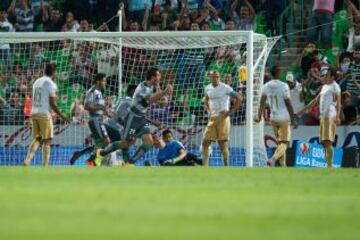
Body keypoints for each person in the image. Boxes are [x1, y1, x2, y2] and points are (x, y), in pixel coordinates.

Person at [95, 67, 173, 165]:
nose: (160, 77)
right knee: (127, 143)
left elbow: (153, 100)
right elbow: (148, 101)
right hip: (133, 119)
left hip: (141, 119)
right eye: (159, 75)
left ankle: (130, 163)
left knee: (149, 142)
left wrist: (161, 97)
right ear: (153, 77)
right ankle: (101, 153)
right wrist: (164, 93)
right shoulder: (143, 87)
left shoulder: (151, 87)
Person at [23, 63, 69, 166]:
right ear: (54, 72)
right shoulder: (51, 84)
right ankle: (45, 165)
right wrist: (62, 115)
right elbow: (53, 103)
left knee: (38, 138)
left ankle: (27, 160)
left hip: (34, 113)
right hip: (44, 114)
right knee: (47, 140)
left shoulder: (36, 81)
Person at [297, 67, 341, 168]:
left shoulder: (335, 87)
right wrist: (302, 111)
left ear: (332, 77)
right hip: (323, 116)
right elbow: (315, 101)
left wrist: (338, 116)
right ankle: (328, 164)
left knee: (327, 140)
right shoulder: (325, 86)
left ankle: (329, 166)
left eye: (327, 75)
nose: (325, 76)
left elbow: (339, 103)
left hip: (330, 115)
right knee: (323, 142)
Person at [255, 66, 298, 167]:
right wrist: (293, 118)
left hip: (273, 118)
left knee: (280, 144)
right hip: (284, 118)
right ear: (278, 73)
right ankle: (272, 159)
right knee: (285, 143)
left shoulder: (266, 86)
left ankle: (283, 167)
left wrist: (259, 116)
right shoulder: (284, 86)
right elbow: (288, 103)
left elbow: (261, 103)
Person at [202, 70, 241, 166]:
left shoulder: (225, 88)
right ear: (210, 77)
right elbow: (206, 100)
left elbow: (239, 98)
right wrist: (208, 111)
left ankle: (226, 166)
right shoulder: (207, 88)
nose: (215, 78)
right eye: (213, 77)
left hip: (223, 118)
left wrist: (229, 112)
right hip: (213, 118)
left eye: (217, 77)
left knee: (222, 144)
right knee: (205, 143)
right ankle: (204, 167)